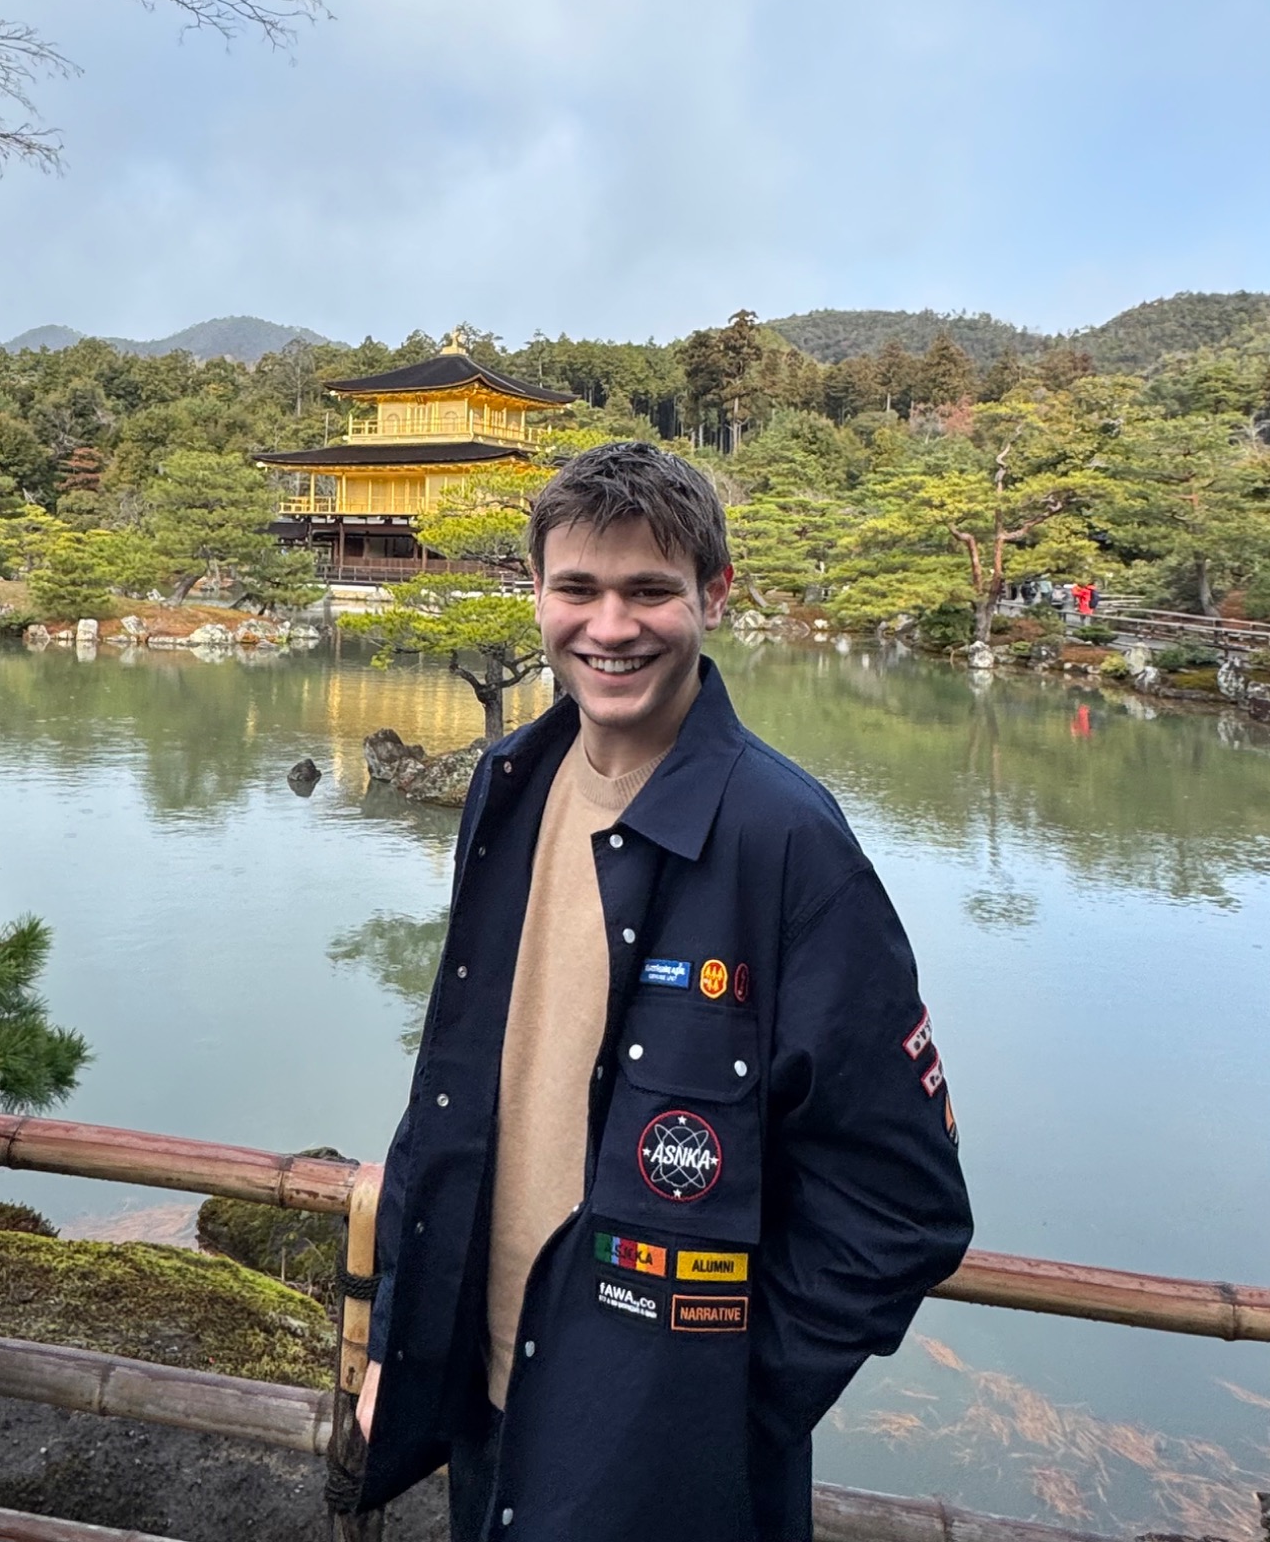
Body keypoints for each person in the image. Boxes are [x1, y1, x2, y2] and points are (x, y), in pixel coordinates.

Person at [345, 443, 972, 1542]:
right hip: (484, 1402)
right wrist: (397, 1346)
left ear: (712, 597)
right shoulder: (506, 785)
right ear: (533, 593)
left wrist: (725, 1403)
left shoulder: (787, 841)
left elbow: (900, 1200)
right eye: (576, 588)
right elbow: (449, 1093)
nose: (609, 626)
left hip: (657, 1455)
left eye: (648, 591)